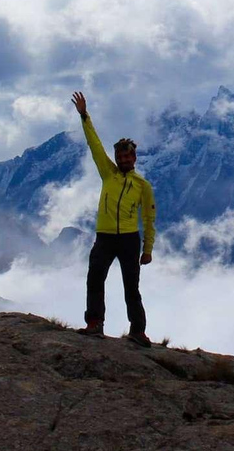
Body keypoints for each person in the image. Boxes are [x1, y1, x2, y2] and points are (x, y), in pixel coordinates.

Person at [71, 91, 156, 348]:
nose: (123, 160)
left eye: (127, 156)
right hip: (105, 237)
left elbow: (149, 218)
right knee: (95, 279)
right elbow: (94, 145)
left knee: (132, 286)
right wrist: (85, 116)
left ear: (134, 158)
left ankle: (138, 331)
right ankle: (94, 324)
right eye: (120, 156)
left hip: (129, 240)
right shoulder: (108, 173)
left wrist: (148, 249)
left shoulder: (143, 185)